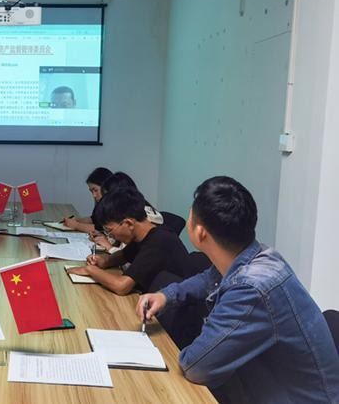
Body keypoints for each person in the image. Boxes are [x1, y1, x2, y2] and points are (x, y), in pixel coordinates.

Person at [136, 177, 339, 403]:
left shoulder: (251, 290)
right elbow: (209, 278)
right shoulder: (257, 256)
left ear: (200, 232)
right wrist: (165, 296)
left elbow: (196, 366)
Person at [67, 187, 199, 295]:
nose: (110, 236)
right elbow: (124, 255)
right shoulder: (143, 233)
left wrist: (91, 270)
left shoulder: (159, 241)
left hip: (174, 312)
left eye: (109, 230)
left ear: (128, 223)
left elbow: (122, 287)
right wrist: (105, 261)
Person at [62, 167, 113, 232]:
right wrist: (76, 221)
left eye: (96, 190)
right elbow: (94, 219)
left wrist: (76, 225)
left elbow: (101, 229)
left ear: (106, 187)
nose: (94, 195)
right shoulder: (101, 202)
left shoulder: (114, 204)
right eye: (91, 191)